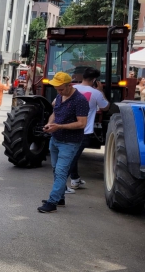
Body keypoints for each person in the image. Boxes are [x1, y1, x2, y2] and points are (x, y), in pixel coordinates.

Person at [38, 72, 89, 213]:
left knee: (61, 171)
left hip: (70, 142)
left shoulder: (80, 100)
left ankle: (52, 202)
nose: (58, 91)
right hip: (55, 139)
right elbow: (55, 112)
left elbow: (82, 123)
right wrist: (50, 124)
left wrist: (59, 126)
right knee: (56, 170)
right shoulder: (60, 95)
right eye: (57, 89)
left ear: (69, 85)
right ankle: (60, 198)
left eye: (61, 89)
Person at [65, 68, 110, 193]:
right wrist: (101, 91)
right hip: (83, 131)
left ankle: (75, 179)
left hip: (67, 129)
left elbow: (54, 103)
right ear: (94, 80)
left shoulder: (72, 88)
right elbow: (106, 107)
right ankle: (62, 186)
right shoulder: (96, 93)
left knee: (72, 156)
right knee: (72, 158)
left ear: (82, 77)